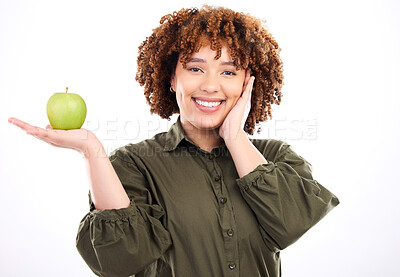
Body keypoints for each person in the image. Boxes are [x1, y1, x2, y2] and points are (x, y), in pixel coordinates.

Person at [8, 5, 339, 277]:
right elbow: (120, 261)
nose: (210, 85)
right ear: (170, 77)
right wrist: (92, 151)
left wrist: (235, 137)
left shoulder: (274, 157)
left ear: (248, 83)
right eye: (196, 69)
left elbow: (293, 224)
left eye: (228, 71)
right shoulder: (134, 163)